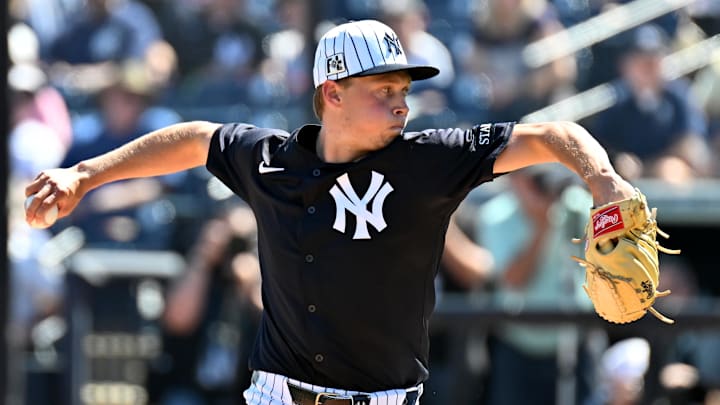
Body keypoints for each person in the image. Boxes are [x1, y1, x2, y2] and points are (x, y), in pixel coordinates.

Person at [26, 19, 642, 405]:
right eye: (384, 92)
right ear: (332, 94)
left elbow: (552, 133)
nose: (402, 105)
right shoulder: (269, 162)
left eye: (404, 91)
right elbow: (192, 138)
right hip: (277, 394)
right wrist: (87, 174)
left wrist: (604, 180)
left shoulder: (429, 160)